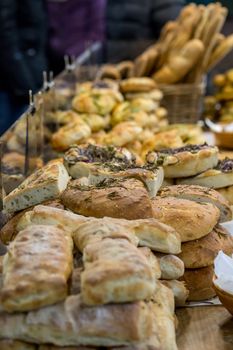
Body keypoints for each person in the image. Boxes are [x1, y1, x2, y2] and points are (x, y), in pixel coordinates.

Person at [0, 0, 48, 134]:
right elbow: (5, 37)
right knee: (11, 137)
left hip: (28, 70)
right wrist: (26, 84)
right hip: (14, 79)